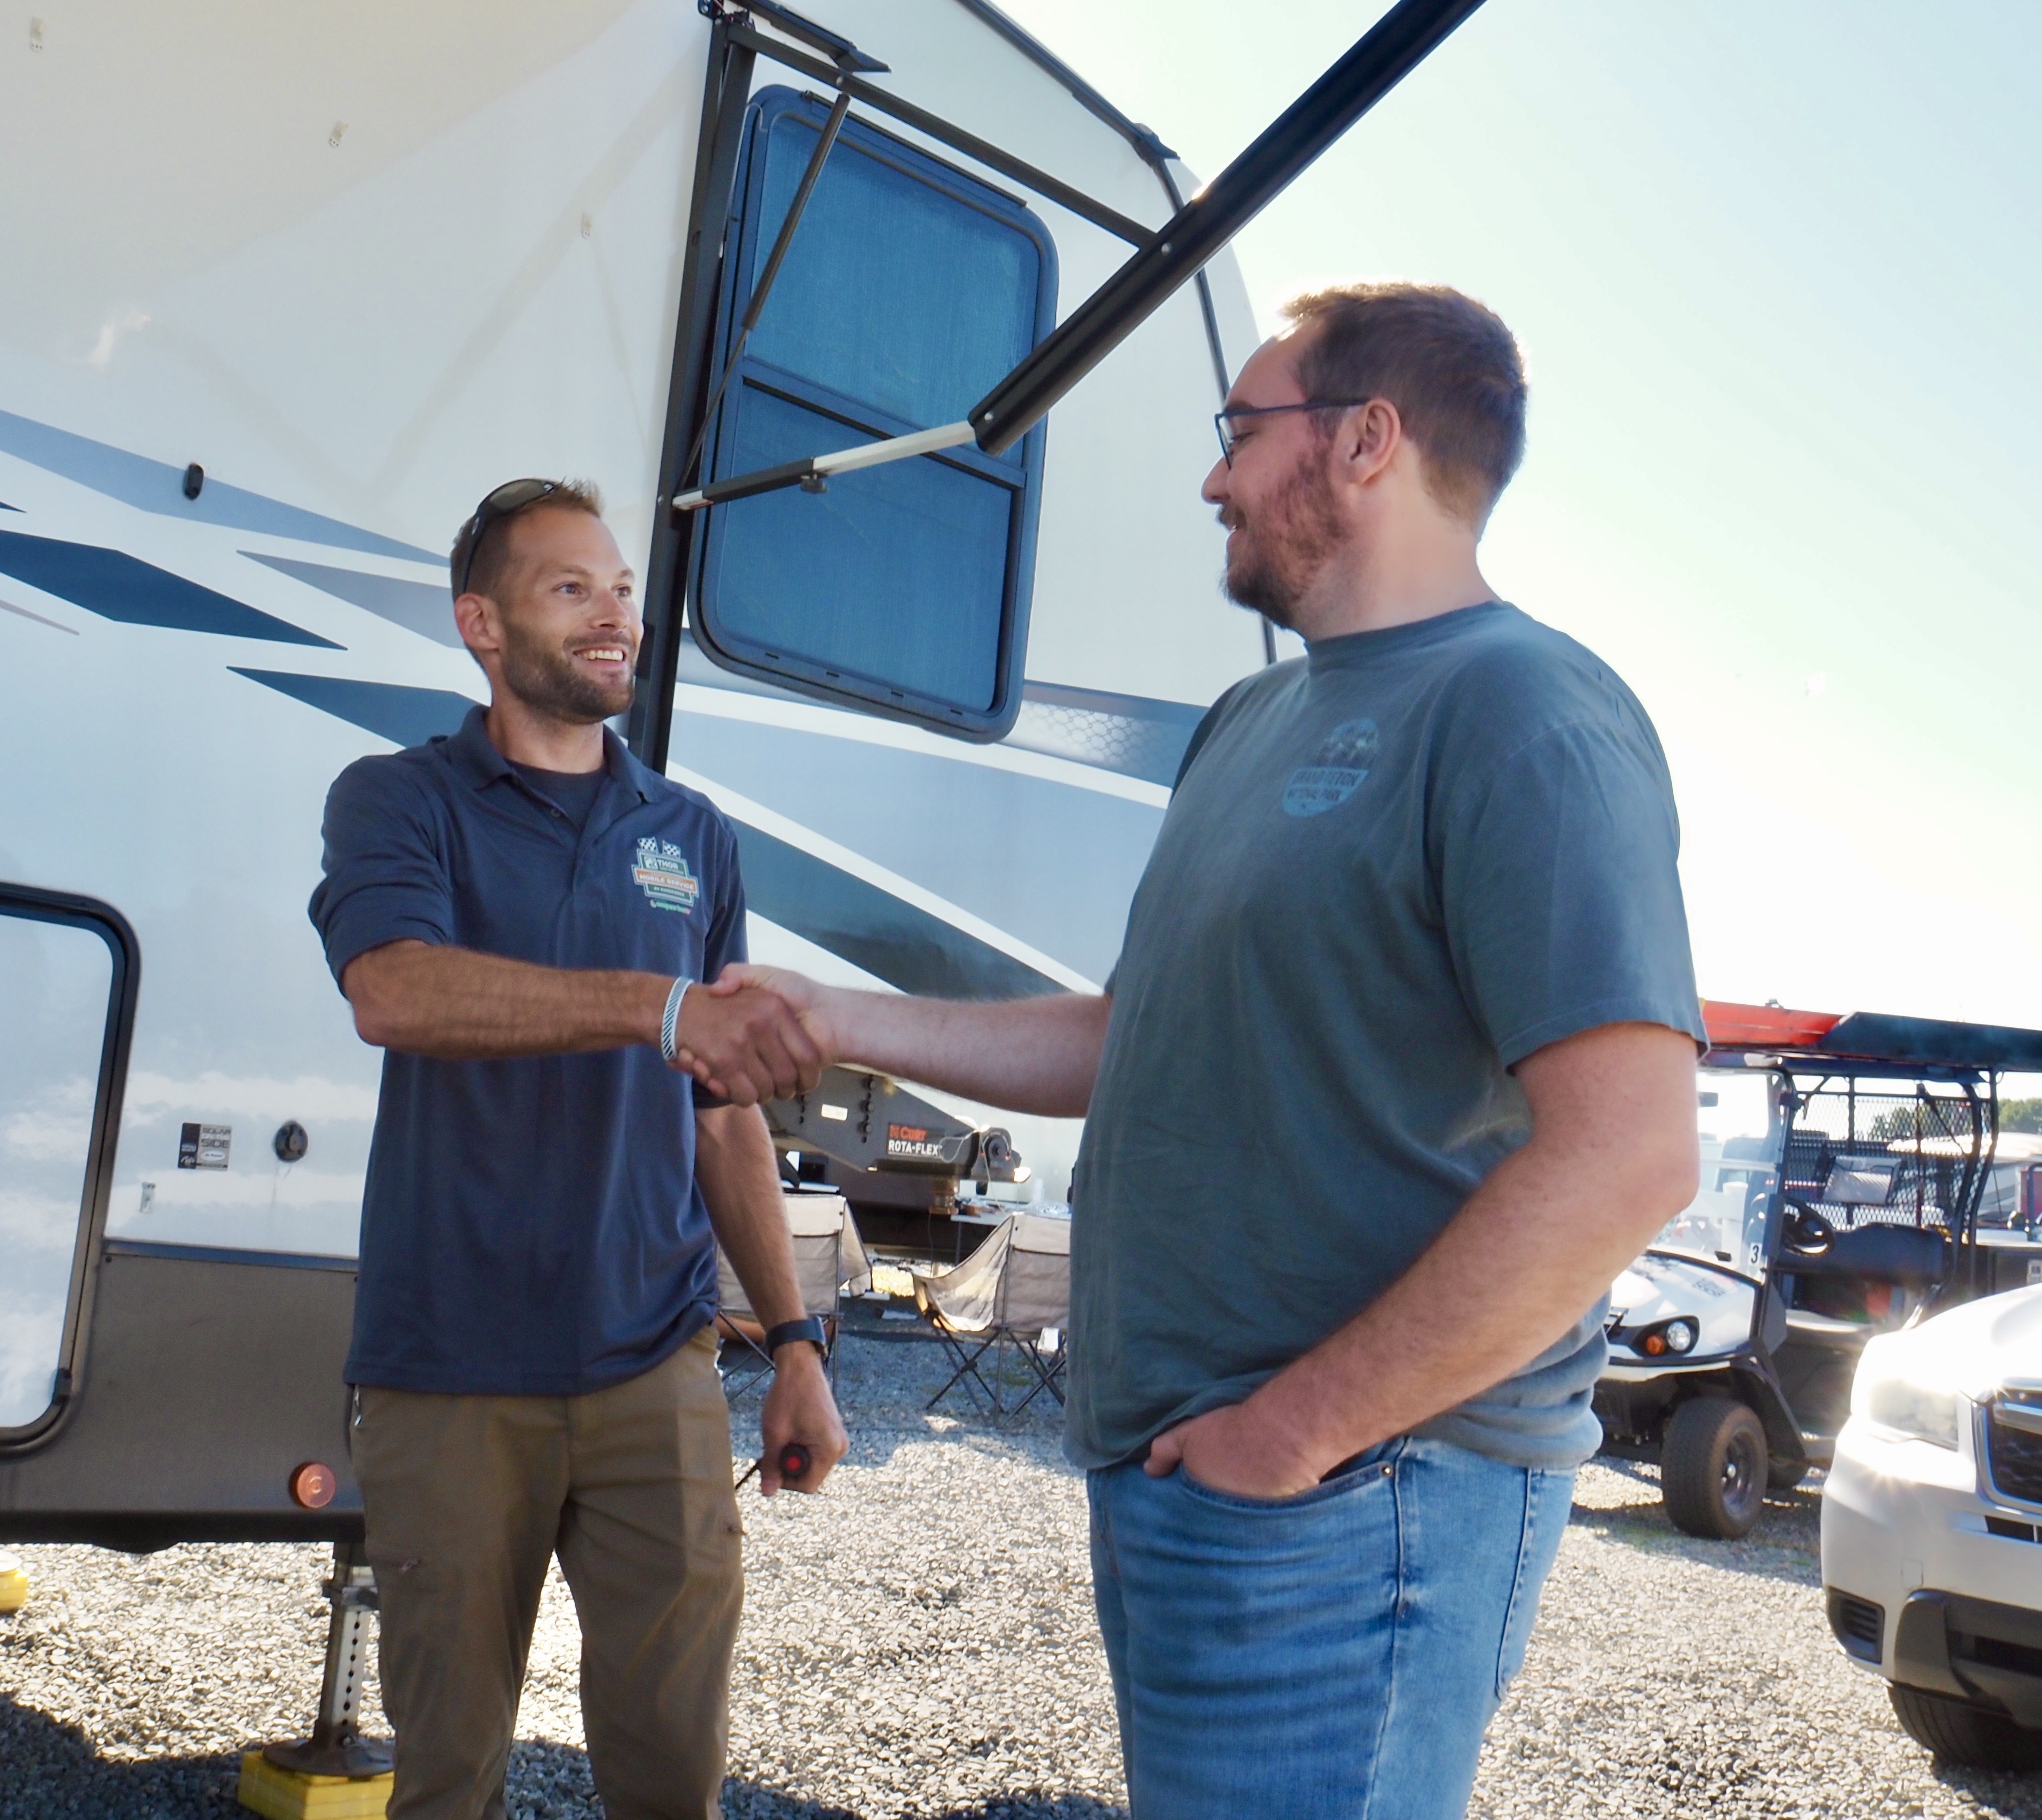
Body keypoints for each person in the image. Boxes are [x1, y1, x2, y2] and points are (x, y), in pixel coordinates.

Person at [698, 285, 1704, 1818]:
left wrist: (1295, 1432)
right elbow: (1128, 1034)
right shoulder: (1248, 722)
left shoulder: (1523, 712)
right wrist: (835, 1021)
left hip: (1358, 1497)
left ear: (1366, 442)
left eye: (1242, 431)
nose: (1214, 477)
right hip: (1195, 1474)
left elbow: (1628, 1155)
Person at [308, 478, 848, 1820]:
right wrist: (653, 1005)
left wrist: (793, 1343)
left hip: (650, 1367)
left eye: (620, 588)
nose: (616, 615)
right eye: (571, 590)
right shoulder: (398, 798)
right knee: (448, 1779)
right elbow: (396, 991)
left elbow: (722, 1110)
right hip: (450, 1368)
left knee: (673, 1776)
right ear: (480, 626)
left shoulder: (689, 835)